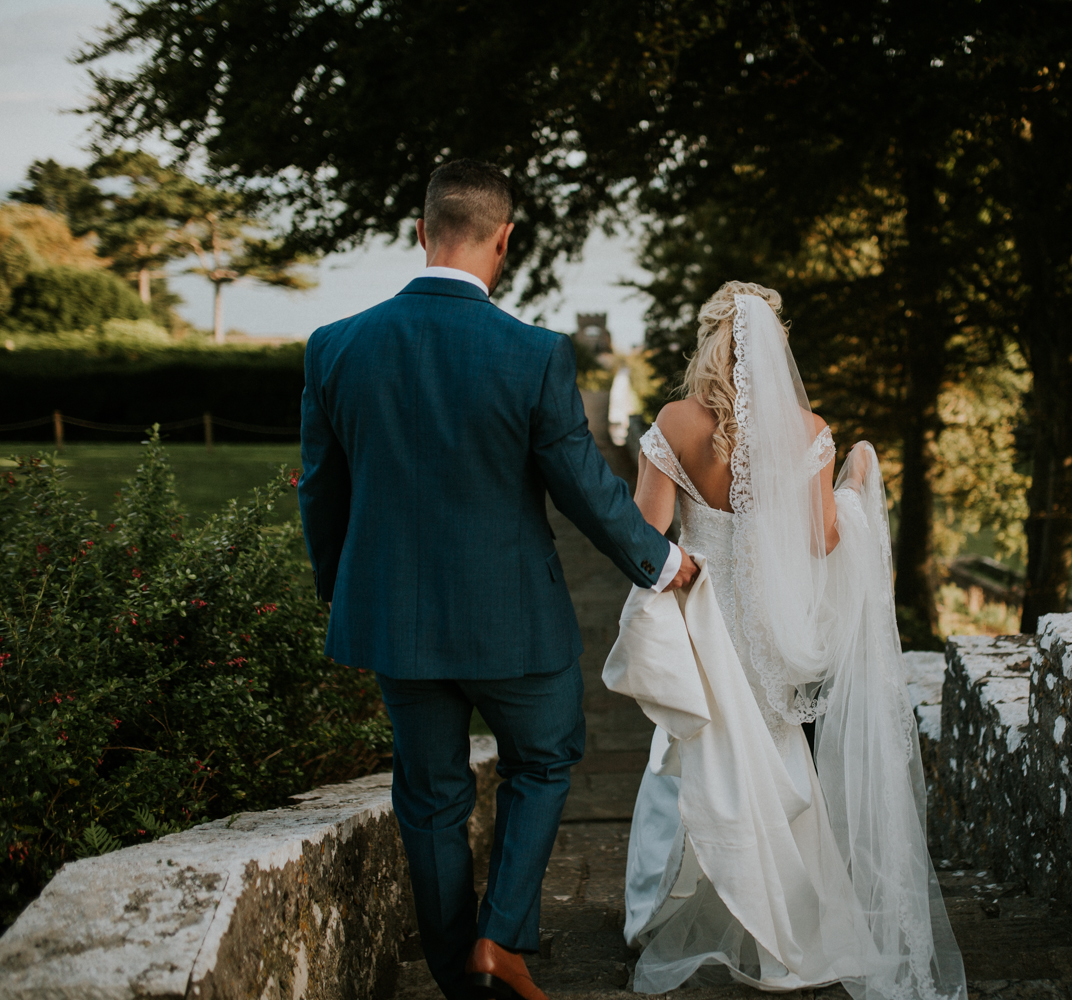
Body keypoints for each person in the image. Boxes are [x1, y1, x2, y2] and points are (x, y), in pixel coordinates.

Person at [297, 158, 698, 1000]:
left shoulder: (335, 347)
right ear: (505, 241)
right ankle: (501, 937)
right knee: (547, 760)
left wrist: (345, 590)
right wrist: (664, 562)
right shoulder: (533, 355)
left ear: (421, 232)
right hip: (515, 623)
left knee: (431, 798)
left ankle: (455, 974)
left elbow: (321, 490)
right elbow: (583, 486)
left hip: (396, 624)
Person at [614, 282, 967, 1000]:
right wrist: (854, 486)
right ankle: (779, 919)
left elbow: (643, 538)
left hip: (700, 620)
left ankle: (661, 911)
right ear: (775, 347)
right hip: (769, 628)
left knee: (688, 751)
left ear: (710, 339)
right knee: (774, 757)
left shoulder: (676, 423)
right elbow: (820, 539)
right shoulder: (807, 430)